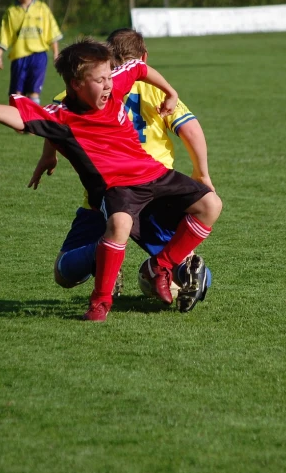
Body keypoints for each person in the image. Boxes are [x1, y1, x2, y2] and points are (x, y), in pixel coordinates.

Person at [0, 38, 223, 322]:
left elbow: (138, 68)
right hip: (117, 188)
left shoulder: (113, 84)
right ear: (77, 83)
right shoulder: (62, 116)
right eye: (100, 80)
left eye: (108, 77)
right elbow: (21, 117)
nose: (108, 85)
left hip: (152, 173)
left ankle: (160, 267)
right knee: (120, 223)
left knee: (211, 204)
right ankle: (100, 301)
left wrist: (170, 91)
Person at [29, 28, 214, 312]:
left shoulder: (84, 91)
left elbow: (53, 120)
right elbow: (190, 128)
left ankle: (106, 259)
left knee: (64, 272)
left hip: (105, 196)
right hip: (157, 195)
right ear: (144, 57)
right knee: (179, 263)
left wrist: (48, 156)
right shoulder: (153, 88)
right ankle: (175, 268)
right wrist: (202, 173)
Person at [0, 0, 63, 105]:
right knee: (17, 94)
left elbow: (51, 32)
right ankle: (19, 124)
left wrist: (55, 53)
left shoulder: (42, 9)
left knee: (34, 93)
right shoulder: (11, 12)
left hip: (38, 57)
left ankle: (33, 124)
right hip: (19, 58)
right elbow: (4, 34)